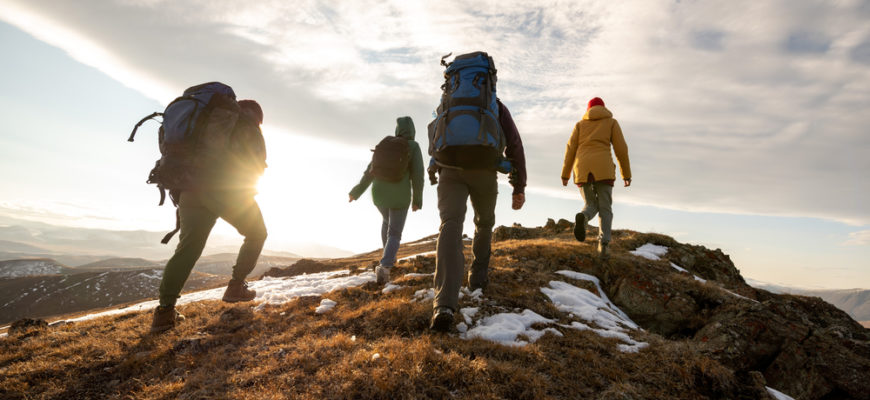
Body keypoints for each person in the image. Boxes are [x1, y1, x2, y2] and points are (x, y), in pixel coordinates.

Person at [150, 99, 268, 333]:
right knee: (256, 233)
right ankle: (235, 287)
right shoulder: (245, 124)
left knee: (187, 249)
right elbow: (256, 164)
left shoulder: (202, 123)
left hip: (189, 190)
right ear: (256, 116)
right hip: (226, 190)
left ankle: (164, 313)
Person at [429, 98, 527, 332]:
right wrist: (519, 186)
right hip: (484, 170)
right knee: (483, 223)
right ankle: (478, 280)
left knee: (450, 224)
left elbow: (435, 137)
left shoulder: (448, 102)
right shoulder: (494, 105)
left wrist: (434, 167)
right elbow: (514, 144)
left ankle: (444, 305)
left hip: (449, 171)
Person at [349, 116, 424, 285]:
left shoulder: (386, 144)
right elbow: (418, 176)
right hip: (400, 197)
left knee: (386, 222)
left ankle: (387, 256)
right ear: (412, 131)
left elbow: (369, 171)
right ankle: (385, 265)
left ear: (397, 130)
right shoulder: (413, 146)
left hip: (379, 195)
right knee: (395, 232)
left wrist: (356, 191)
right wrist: (417, 199)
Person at [561, 97, 631, 260]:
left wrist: (565, 174)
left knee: (590, 203)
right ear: (604, 108)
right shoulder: (611, 122)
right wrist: (626, 174)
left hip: (582, 168)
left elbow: (570, 149)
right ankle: (604, 245)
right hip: (603, 169)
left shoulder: (580, 124)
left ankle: (584, 217)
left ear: (588, 110)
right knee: (605, 207)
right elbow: (621, 149)